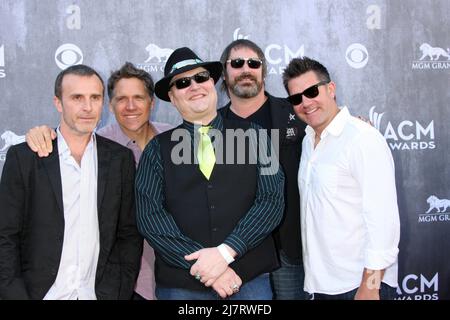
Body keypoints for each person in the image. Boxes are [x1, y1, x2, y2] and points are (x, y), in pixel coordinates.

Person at [135, 47, 285, 300]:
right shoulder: (155, 150)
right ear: (172, 97)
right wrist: (208, 268)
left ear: (213, 84)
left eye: (201, 78)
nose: (194, 86)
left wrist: (226, 253)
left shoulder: (257, 136)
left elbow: (271, 200)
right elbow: (150, 217)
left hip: (248, 280)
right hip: (182, 287)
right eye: (182, 83)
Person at [25, 62, 173, 300]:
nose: (131, 106)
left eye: (139, 97)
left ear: (152, 103)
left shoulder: (173, 138)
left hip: (176, 270)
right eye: (121, 99)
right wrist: (41, 133)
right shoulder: (95, 147)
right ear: (111, 106)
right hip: (131, 281)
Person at [0, 64, 142, 300]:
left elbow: (128, 234)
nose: (87, 107)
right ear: (58, 103)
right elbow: (5, 235)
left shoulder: (120, 159)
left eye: (95, 97)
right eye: (77, 98)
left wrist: (118, 291)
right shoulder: (25, 157)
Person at [282, 56, 400, 300]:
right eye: (296, 98)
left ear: (331, 89)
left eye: (312, 91)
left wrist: (370, 285)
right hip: (320, 285)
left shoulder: (362, 139)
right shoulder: (307, 141)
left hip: (359, 285)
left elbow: (383, 220)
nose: (306, 102)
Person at [218, 39, 308, 300]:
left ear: (263, 71)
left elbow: (329, 133)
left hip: (288, 248)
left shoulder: (297, 113)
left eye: (253, 63)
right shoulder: (213, 126)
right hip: (240, 253)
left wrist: (356, 125)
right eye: (237, 63)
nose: (246, 69)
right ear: (225, 74)